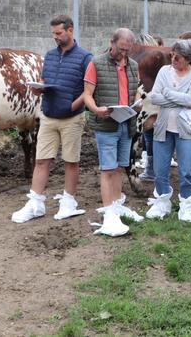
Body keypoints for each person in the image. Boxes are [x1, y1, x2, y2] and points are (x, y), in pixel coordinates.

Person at [12, 15, 93, 223]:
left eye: (59, 33)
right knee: (41, 161)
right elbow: (44, 79)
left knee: (71, 162)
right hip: (48, 116)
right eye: (53, 34)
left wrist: (71, 107)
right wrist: (38, 88)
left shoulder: (85, 58)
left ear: (70, 30)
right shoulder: (48, 56)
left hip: (72, 119)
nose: (55, 37)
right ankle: (35, 203)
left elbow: (88, 91)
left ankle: (69, 202)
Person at [83, 28, 145, 236]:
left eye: (128, 50)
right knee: (107, 169)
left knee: (120, 167)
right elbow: (87, 95)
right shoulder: (96, 63)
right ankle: (109, 212)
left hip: (126, 123)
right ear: (112, 42)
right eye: (121, 49)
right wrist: (96, 110)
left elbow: (135, 90)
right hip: (106, 125)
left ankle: (117, 205)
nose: (124, 54)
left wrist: (137, 103)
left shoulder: (133, 65)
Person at [145, 39, 191, 222]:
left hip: (186, 130)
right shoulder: (164, 71)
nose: (173, 59)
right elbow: (155, 98)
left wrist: (168, 94)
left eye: (177, 57)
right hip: (163, 128)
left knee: (186, 170)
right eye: (172, 55)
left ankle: (186, 204)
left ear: (188, 59)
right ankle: (163, 201)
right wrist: (180, 99)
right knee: (160, 169)